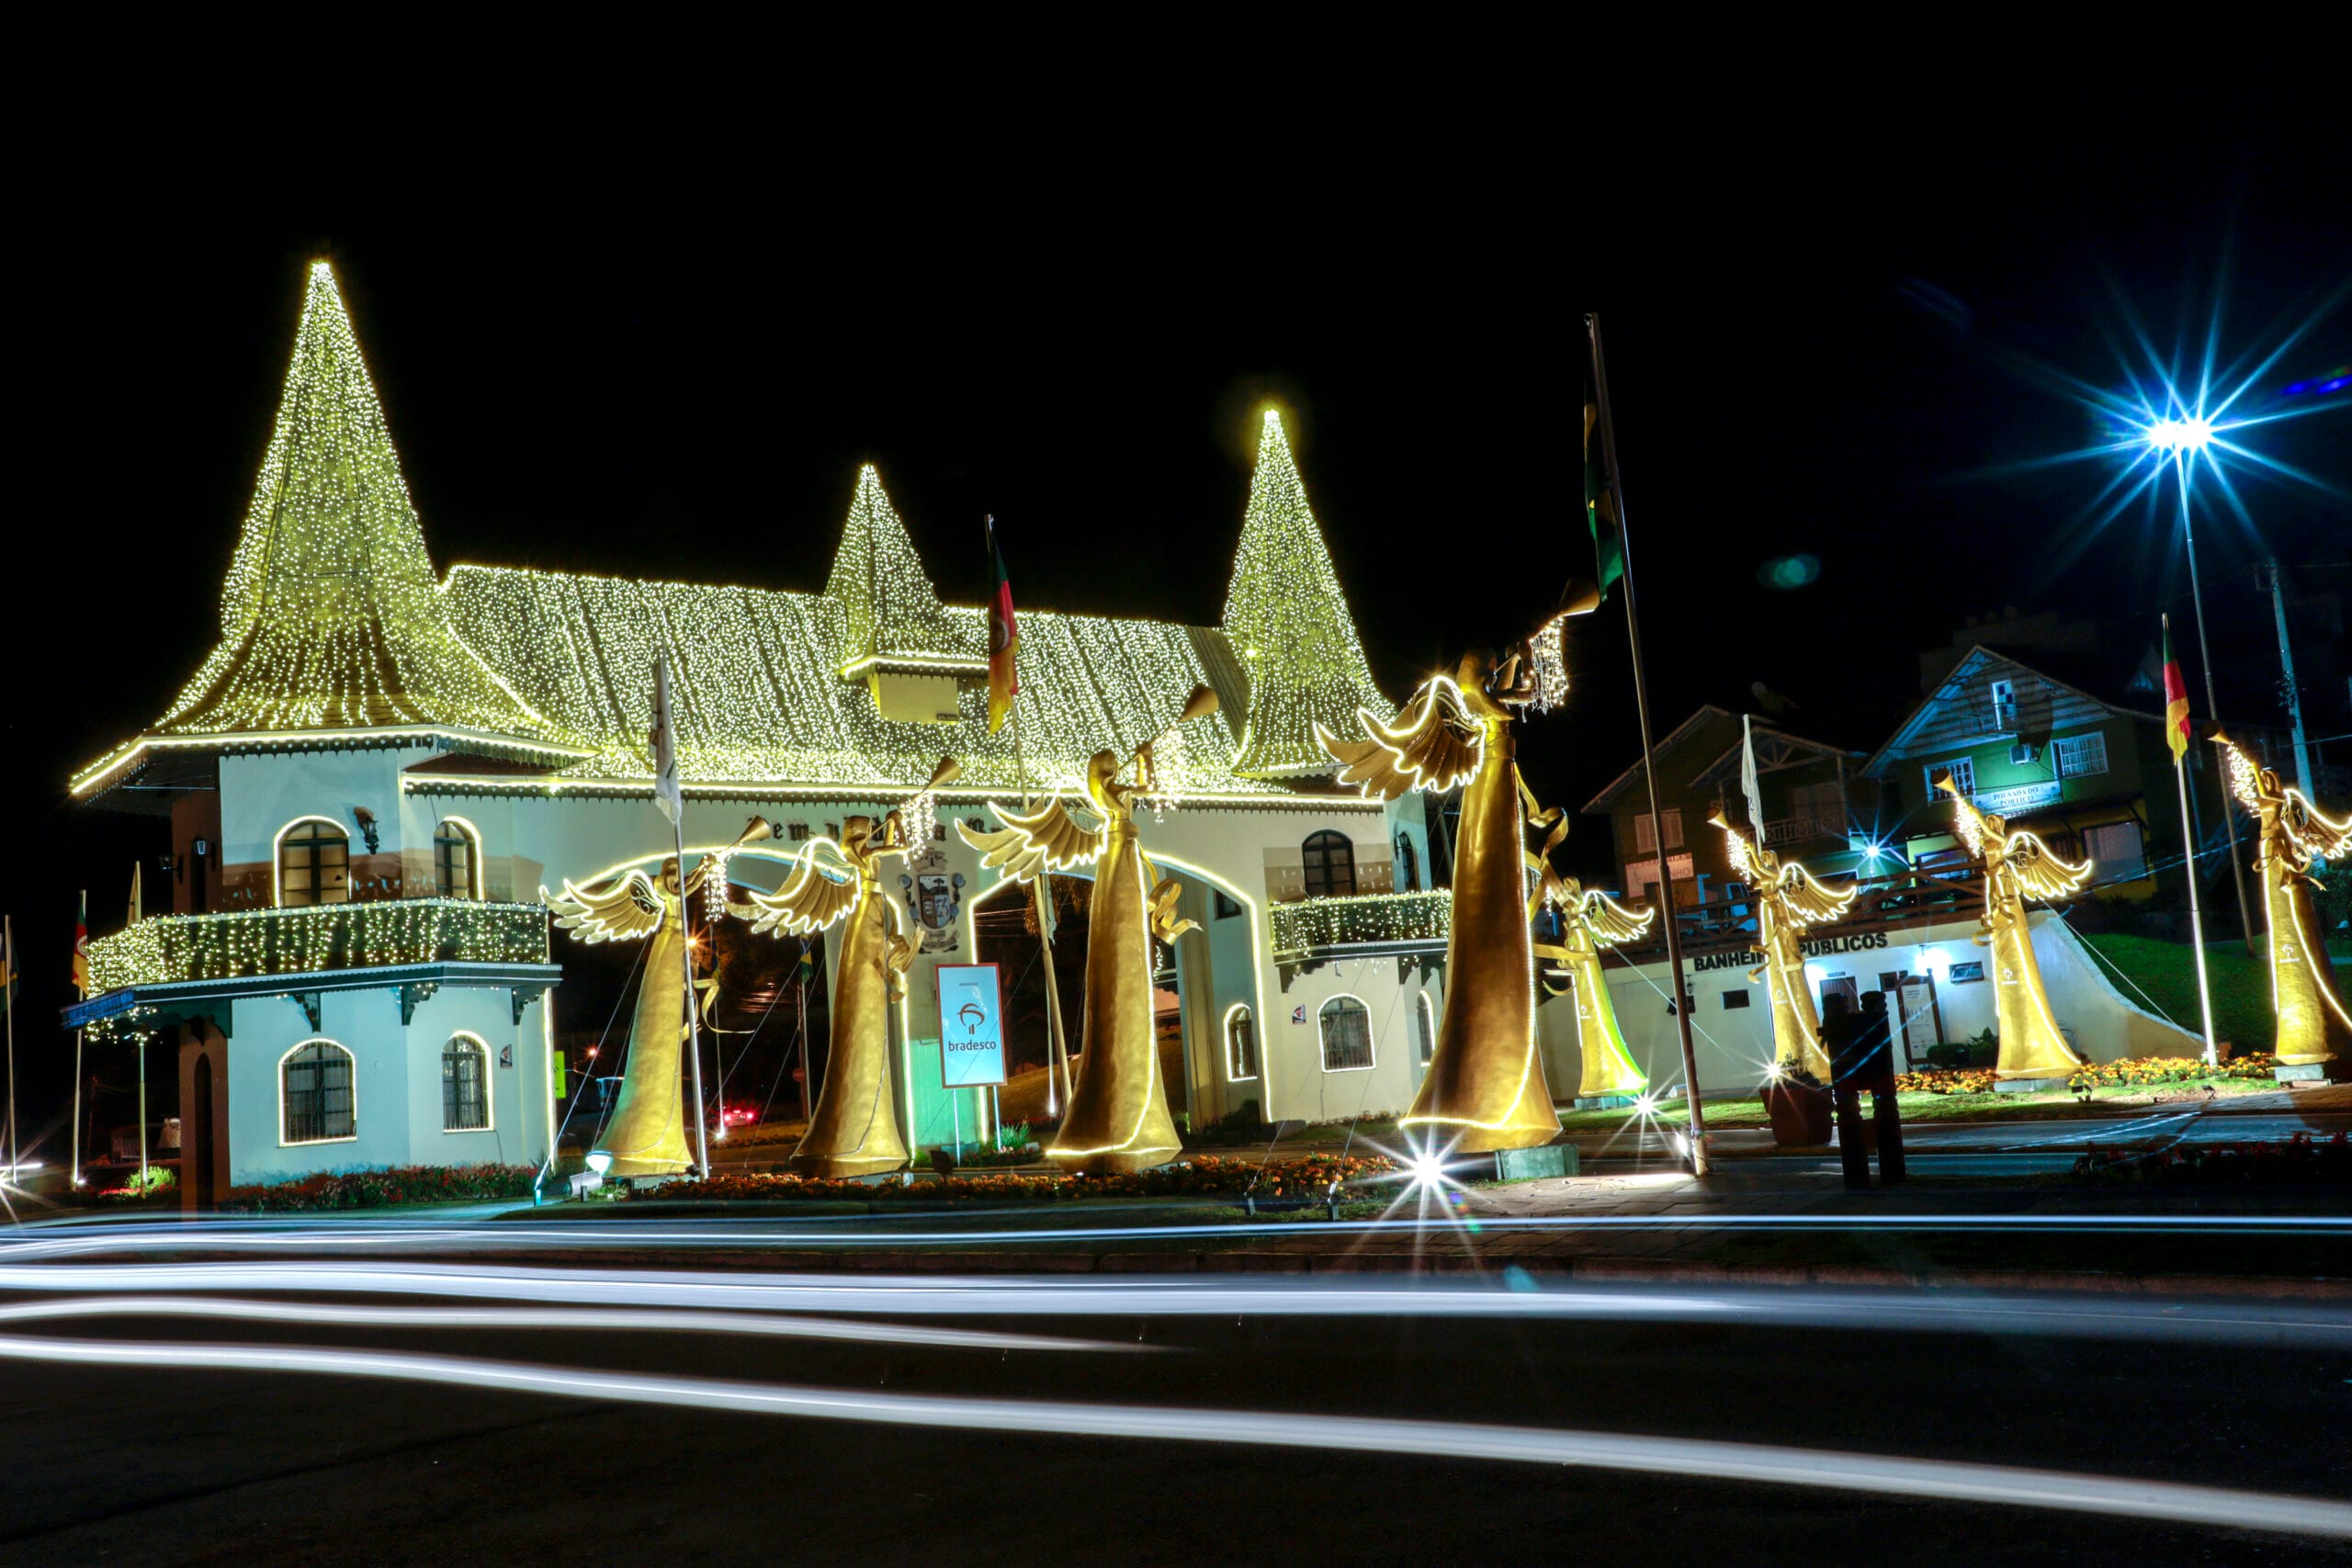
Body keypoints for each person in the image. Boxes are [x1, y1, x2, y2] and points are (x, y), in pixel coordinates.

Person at [1827, 990, 1905, 1189]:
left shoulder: (1834, 1025)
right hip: (1877, 1071)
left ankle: (1858, 1176)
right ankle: (1890, 1173)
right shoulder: (1878, 1020)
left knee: (1850, 1110)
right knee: (1880, 1107)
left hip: (1848, 1073)